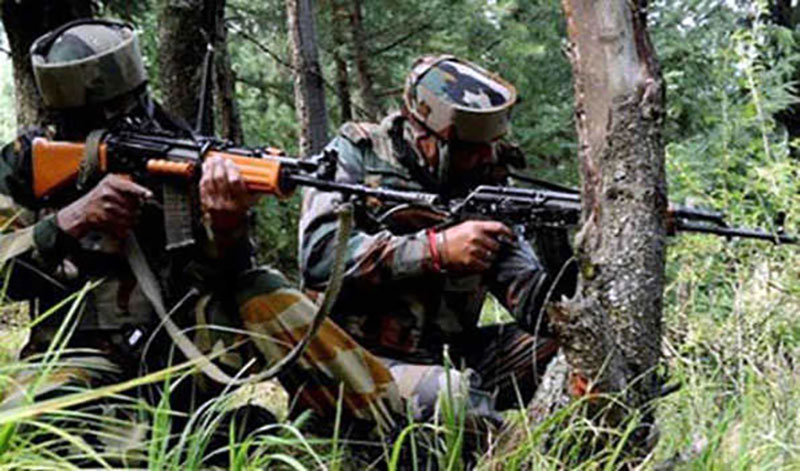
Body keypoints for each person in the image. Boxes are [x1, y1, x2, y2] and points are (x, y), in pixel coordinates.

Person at [0, 18, 401, 447]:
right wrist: (66, 223)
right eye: (101, 113)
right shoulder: (26, 165)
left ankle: (385, 431)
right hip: (75, 357)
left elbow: (222, 277)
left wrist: (228, 228)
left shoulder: (180, 149)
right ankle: (217, 441)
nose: (122, 118)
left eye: (130, 104)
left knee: (263, 290)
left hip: (181, 348)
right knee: (23, 427)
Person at [300, 55, 577, 423]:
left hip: (448, 355)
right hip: (357, 363)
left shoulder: (484, 183)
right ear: (424, 138)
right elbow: (319, 258)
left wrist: (560, 247)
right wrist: (436, 250)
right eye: (470, 148)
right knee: (454, 399)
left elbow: (537, 307)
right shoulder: (357, 156)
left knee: (577, 343)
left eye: (492, 144)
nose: (486, 156)